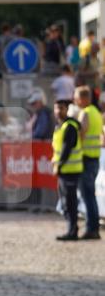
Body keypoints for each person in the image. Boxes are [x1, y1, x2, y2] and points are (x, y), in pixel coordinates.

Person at [74, 84, 103, 239]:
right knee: (90, 195)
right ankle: (93, 227)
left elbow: (81, 133)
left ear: (84, 99)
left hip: (85, 158)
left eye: (77, 97)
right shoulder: (96, 113)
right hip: (95, 157)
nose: (75, 100)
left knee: (88, 196)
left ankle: (92, 228)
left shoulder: (85, 113)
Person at [52, 99, 83, 241]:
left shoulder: (69, 126)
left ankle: (72, 231)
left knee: (69, 201)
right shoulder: (60, 126)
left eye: (62, 108)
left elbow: (66, 148)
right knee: (66, 201)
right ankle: (72, 229)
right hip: (65, 169)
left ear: (67, 109)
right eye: (57, 108)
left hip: (70, 169)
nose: (59, 111)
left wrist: (59, 165)